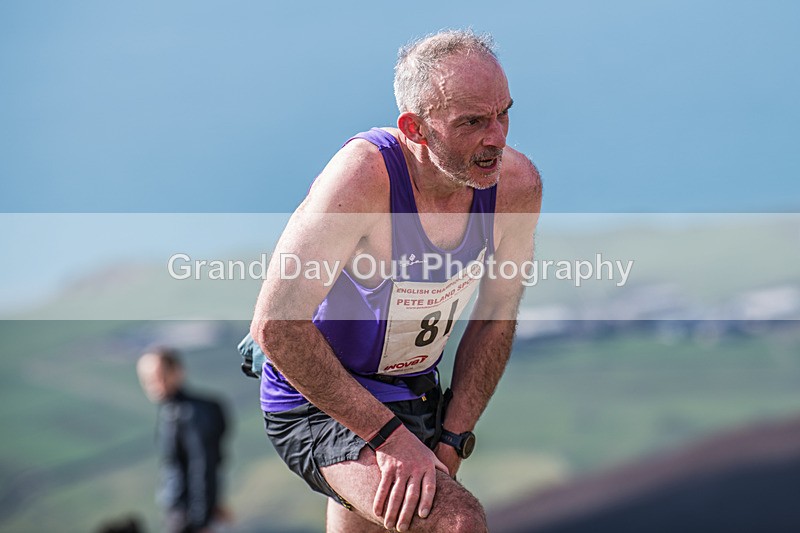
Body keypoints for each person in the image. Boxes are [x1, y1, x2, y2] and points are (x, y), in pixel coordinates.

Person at [247, 29, 542, 532]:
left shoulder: (515, 187)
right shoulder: (363, 178)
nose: (497, 138)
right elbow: (275, 327)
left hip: (413, 391)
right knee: (456, 523)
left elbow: (496, 319)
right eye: (472, 122)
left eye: (504, 113)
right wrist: (392, 440)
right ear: (417, 128)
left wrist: (452, 439)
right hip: (317, 397)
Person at [137, 348, 229, 533]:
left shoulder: (190, 414)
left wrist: (202, 520)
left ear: (177, 372)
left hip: (186, 517)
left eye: (160, 376)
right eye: (147, 380)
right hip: (182, 512)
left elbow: (202, 466)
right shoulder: (171, 410)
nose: (154, 384)